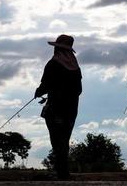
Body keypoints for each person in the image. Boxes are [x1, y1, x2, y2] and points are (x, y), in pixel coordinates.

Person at [35, 34, 82, 179]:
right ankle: (63, 171)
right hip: (71, 109)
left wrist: (38, 92)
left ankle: (61, 173)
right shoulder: (75, 67)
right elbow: (79, 90)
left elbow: (45, 85)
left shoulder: (53, 64)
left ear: (57, 49)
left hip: (55, 108)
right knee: (64, 139)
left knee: (57, 139)